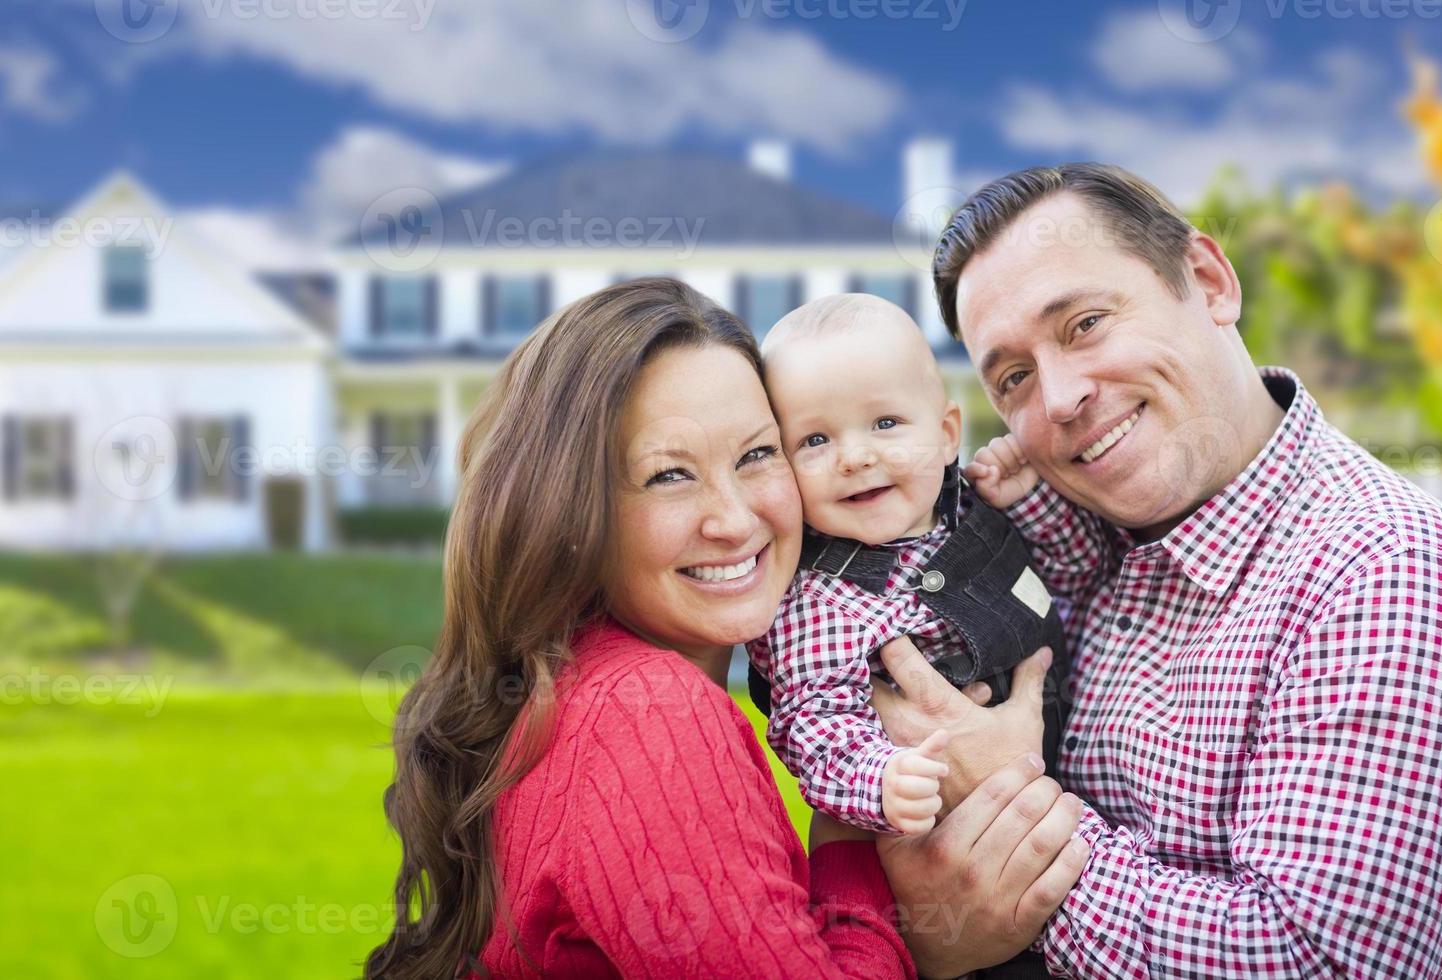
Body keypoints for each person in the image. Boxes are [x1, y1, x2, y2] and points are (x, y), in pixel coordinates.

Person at [889, 162, 1442, 977]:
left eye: (1085, 324)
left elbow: (1318, 963)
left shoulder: (1389, 575)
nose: (1058, 398)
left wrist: (1009, 834)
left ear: (1208, 281)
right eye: (1014, 377)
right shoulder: (1077, 547)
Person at [365, 277, 1089, 979]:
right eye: (668, 476)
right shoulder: (652, 715)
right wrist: (882, 892)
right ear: (569, 509)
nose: (735, 520)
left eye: (755, 455)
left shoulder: (579, 685)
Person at [743, 293, 1069, 840]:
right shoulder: (821, 598)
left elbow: (1075, 575)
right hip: (956, 828)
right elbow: (814, 725)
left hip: (1074, 768)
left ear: (945, 435)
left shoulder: (972, 506)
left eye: (885, 422)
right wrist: (881, 779)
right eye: (815, 440)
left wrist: (1029, 501)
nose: (855, 457)